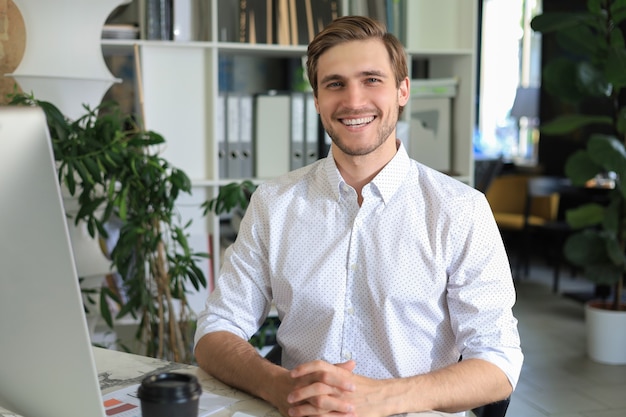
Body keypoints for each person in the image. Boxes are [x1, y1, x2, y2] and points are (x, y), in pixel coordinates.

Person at [194, 15, 522, 417]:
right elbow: (216, 329)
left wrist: (381, 398)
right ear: (316, 100)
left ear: (402, 90)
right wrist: (278, 385)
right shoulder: (274, 203)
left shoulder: (461, 210)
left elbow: (498, 362)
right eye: (335, 84)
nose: (353, 101)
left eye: (371, 80)